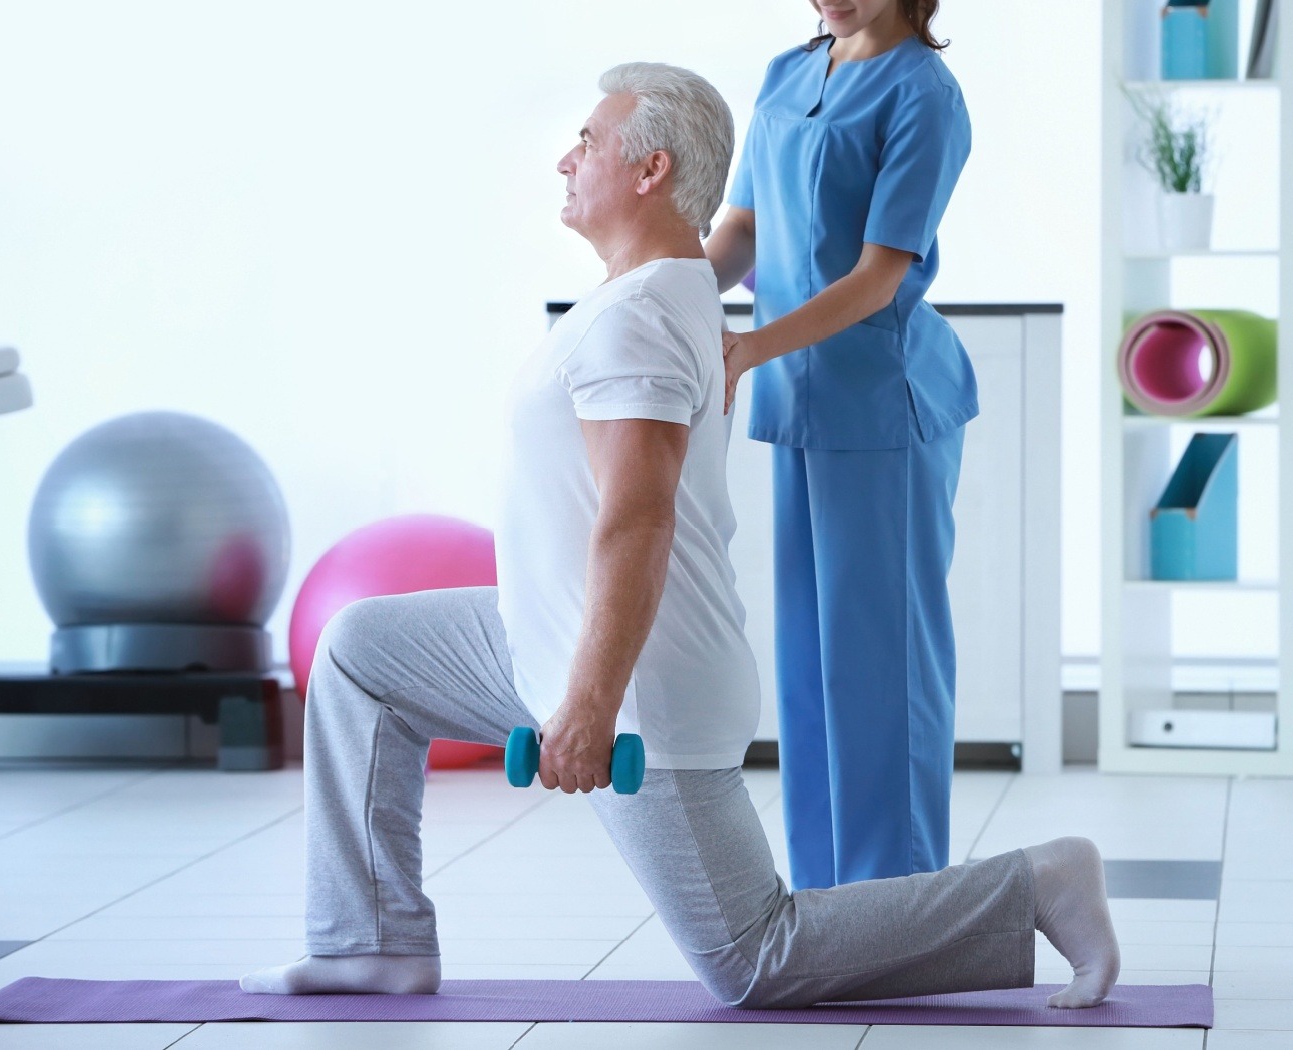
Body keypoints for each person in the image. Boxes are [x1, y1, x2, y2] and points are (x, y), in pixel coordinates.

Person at [240, 62, 1119, 1010]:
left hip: (637, 684)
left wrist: (590, 704)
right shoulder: (650, 294)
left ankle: (1040, 886)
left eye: (589, 140)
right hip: (538, 640)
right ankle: (368, 938)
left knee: (754, 959)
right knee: (363, 652)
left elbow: (637, 519)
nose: (567, 159)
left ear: (651, 170)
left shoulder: (644, 319)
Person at [704, 0, 975, 891]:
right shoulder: (789, 73)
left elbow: (875, 277)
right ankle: (827, 906)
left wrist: (749, 346)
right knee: (813, 671)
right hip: (798, 405)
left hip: (881, 409)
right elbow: (742, 231)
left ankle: (897, 905)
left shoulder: (924, 96)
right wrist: (659, 295)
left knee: (884, 670)